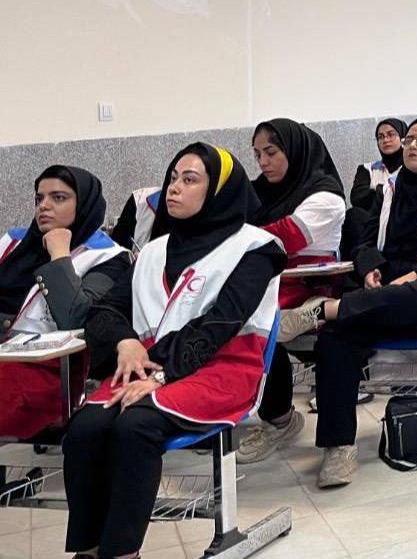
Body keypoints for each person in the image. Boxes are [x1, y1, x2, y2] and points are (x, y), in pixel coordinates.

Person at [68, 145, 285, 556]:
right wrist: (125, 341)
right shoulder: (153, 250)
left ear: (218, 190)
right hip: (150, 365)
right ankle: (91, 548)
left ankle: (122, 552)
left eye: (190, 179)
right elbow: (105, 309)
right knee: (85, 428)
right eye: (173, 178)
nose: (174, 188)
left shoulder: (256, 248)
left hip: (223, 367)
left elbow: (222, 323)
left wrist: (162, 375)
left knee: (135, 427)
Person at [295, 119, 417, 487]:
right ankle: (338, 446)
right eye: (409, 139)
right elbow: (363, 241)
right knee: (336, 337)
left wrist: (415, 275)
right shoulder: (390, 187)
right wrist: (370, 268)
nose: (412, 145)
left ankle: (325, 309)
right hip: (385, 294)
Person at [237, 119, 347, 465]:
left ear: (295, 151)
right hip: (268, 283)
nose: (263, 162)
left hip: (306, 282)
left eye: (271, 152)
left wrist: (236, 237)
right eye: (257, 155)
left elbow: (284, 236)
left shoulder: (326, 196)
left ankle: (278, 420)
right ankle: (273, 416)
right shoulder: (262, 191)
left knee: (252, 324)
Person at [0, 166, 132, 439]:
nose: (44, 206)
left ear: (83, 203)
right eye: (39, 198)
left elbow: (77, 320)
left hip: (52, 372)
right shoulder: (14, 243)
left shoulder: (108, 257)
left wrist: (60, 255)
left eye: (58, 198)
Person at [349, 118, 406, 214]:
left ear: (403, 138)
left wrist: (377, 191)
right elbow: (357, 198)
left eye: (391, 135)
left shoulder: (413, 169)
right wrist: (389, 191)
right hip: (373, 219)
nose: (385, 140)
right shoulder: (367, 169)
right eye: (380, 137)